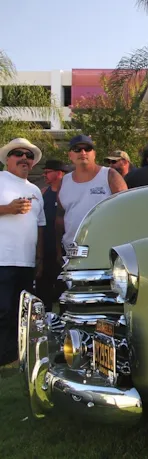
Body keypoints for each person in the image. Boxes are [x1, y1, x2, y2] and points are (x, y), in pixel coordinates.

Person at [0, 138, 46, 366]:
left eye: (29, 155)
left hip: (26, 262)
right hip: (3, 259)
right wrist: (7, 209)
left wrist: (40, 258)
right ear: (8, 159)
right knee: (3, 310)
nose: (25, 158)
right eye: (19, 154)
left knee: (21, 313)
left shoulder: (35, 190)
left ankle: (15, 356)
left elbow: (40, 225)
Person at [56, 135, 128, 252]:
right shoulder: (64, 182)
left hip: (104, 249)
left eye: (87, 149)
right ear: (70, 155)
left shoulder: (110, 175)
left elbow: (125, 212)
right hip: (73, 251)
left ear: (94, 153)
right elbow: (60, 218)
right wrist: (58, 250)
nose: (83, 152)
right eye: (77, 149)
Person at [37, 159, 69, 310]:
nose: (44, 175)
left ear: (59, 173)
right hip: (46, 247)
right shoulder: (43, 193)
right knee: (43, 290)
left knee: (64, 289)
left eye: (48, 172)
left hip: (65, 249)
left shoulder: (68, 193)